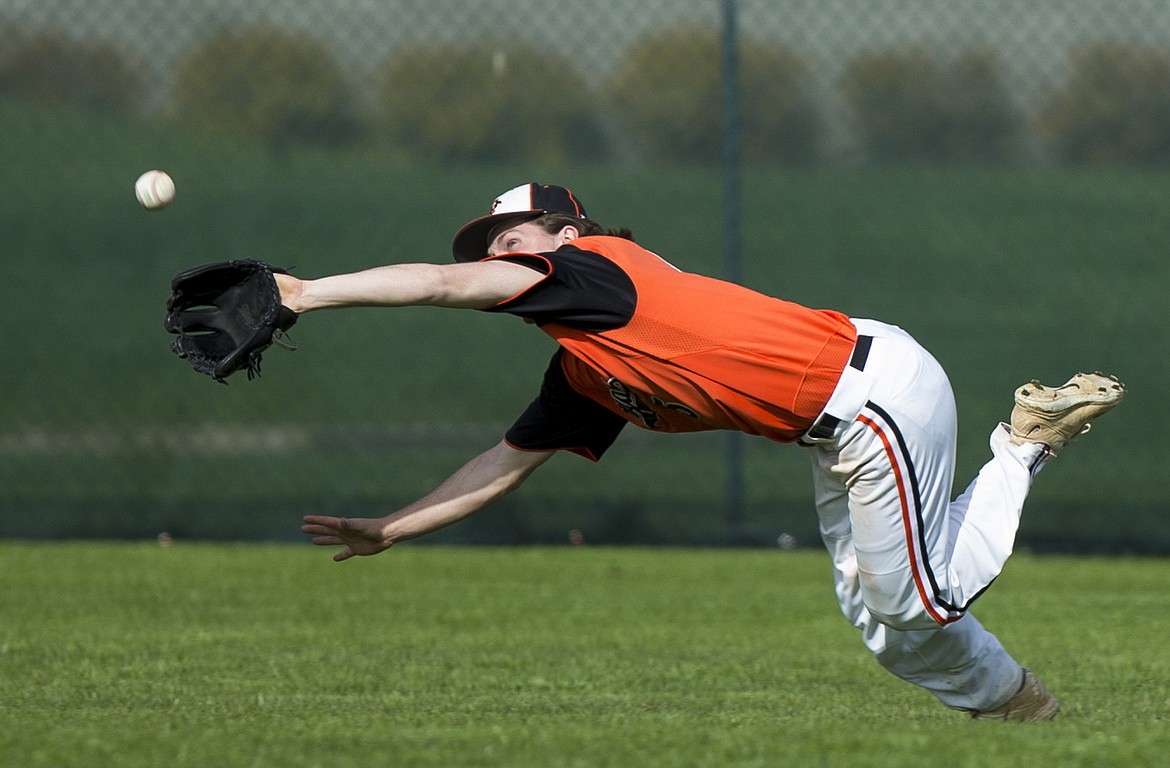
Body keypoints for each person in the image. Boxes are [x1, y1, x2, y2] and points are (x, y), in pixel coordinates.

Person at [281, 182, 1124, 721]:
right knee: (886, 626)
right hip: (837, 429)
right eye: (490, 249)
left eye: (511, 238)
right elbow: (502, 464)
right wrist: (392, 529)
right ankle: (1025, 713)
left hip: (872, 399)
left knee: (915, 602)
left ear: (565, 232)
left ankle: (1019, 449)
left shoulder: (596, 270)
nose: (496, 257)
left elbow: (437, 282)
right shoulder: (582, 364)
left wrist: (306, 294)